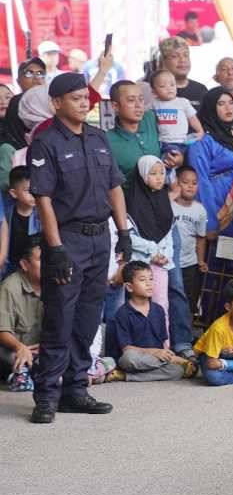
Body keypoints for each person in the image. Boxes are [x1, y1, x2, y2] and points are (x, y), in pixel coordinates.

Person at [26, 72, 131, 423]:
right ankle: (47, 395)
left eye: (85, 96)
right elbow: (43, 199)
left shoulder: (98, 138)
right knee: (60, 318)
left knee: (88, 319)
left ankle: (75, 390)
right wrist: (54, 249)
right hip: (67, 238)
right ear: (57, 104)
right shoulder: (46, 142)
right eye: (75, 97)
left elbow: (115, 187)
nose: (84, 101)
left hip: (100, 236)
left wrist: (123, 231)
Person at [187, 88, 233, 320]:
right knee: (215, 274)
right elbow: (200, 181)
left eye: (231, 102)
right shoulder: (201, 141)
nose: (228, 108)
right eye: (221, 104)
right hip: (217, 215)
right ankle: (211, 324)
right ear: (210, 108)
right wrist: (210, 222)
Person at [105, 261, 195, 382]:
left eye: (151, 279)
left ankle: (126, 376)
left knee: (176, 371)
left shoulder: (158, 310)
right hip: (136, 359)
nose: (149, 284)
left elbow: (163, 342)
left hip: (154, 361)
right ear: (129, 287)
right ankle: (173, 361)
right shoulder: (123, 313)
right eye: (143, 280)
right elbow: (126, 349)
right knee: (128, 358)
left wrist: (165, 352)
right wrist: (156, 353)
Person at [126, 156, 175, 320]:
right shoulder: (131, 202)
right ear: (142, 175)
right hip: (139, 262)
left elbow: (169, 233)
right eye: (153, 173)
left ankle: (162, 344)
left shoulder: (164, 200)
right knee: (137, 307)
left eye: (162, 173)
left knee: (161, 306)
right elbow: (129, 237)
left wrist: (165, 255)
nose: (159, 177)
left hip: (161, 264)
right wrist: (153, 250)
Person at [0, 238, 42, 391]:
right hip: (12, 349)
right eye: (41, 259)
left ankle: (27, 373)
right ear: (25, 264)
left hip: (41, 350)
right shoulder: (10, 287)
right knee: (9, 355)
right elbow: (2, 331)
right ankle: (22, 373)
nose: (48, 264)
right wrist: (20, 347)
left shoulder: (56, 285)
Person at [106, 80, 163, 186]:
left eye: (141, 99)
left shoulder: (151, 118)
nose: (138, 105)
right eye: (131, 100)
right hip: (131, 200)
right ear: (115, 106)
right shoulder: (107, 140)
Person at [171, 166, 208, 319]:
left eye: (194, 183)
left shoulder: (199, 210)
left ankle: (184, 331)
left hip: (189, 263)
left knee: (187, 299)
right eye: (185, 182)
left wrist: (200, 260)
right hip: (170, 261)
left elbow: (200, 237)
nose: (190, 186)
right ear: (176, 183)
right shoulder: (169, 205)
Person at [149, 69, 205, 157]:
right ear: (154, 92)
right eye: (163, 86)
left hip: (183, 140)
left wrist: (200, 131)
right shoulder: (153, 105)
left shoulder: (182, 102)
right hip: (163, 141)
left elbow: (192, 118)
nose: (169, 88)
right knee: (167, 158)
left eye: (172, 84)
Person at [5, 167, 39, 277]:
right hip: (10, 267)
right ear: (14, 193)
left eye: (36, 188)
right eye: (28, 191)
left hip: (33, 269)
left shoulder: (41, 215)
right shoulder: (7, 214)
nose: (34, 194)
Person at [158, 38, 208, 109]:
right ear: (163, 61)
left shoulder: (201, 89)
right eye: (175, 56)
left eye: (186, 55)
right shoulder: (157, 91)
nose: (182, 60)